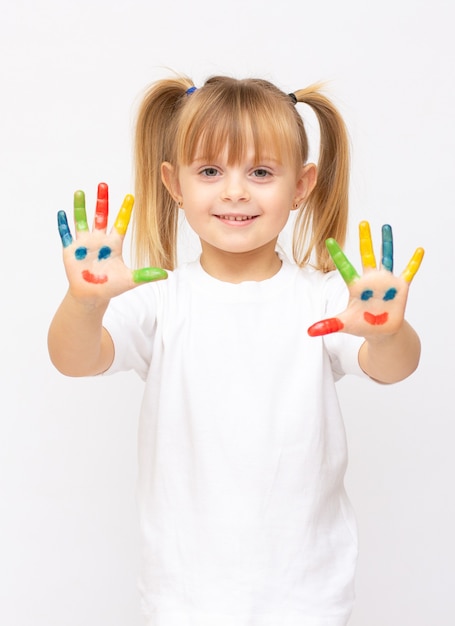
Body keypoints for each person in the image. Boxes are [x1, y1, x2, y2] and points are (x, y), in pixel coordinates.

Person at [48, 75, 424, 626]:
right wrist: (84, 302)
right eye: (209, 171)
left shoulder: (322, 298)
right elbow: (73, 359)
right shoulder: (161, 298)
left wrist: (388, 331)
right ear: (174, 184)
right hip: (184, 598)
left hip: (308, 598)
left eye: (262, 173)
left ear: (301, 185)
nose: (235, 191)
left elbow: (393, 369)